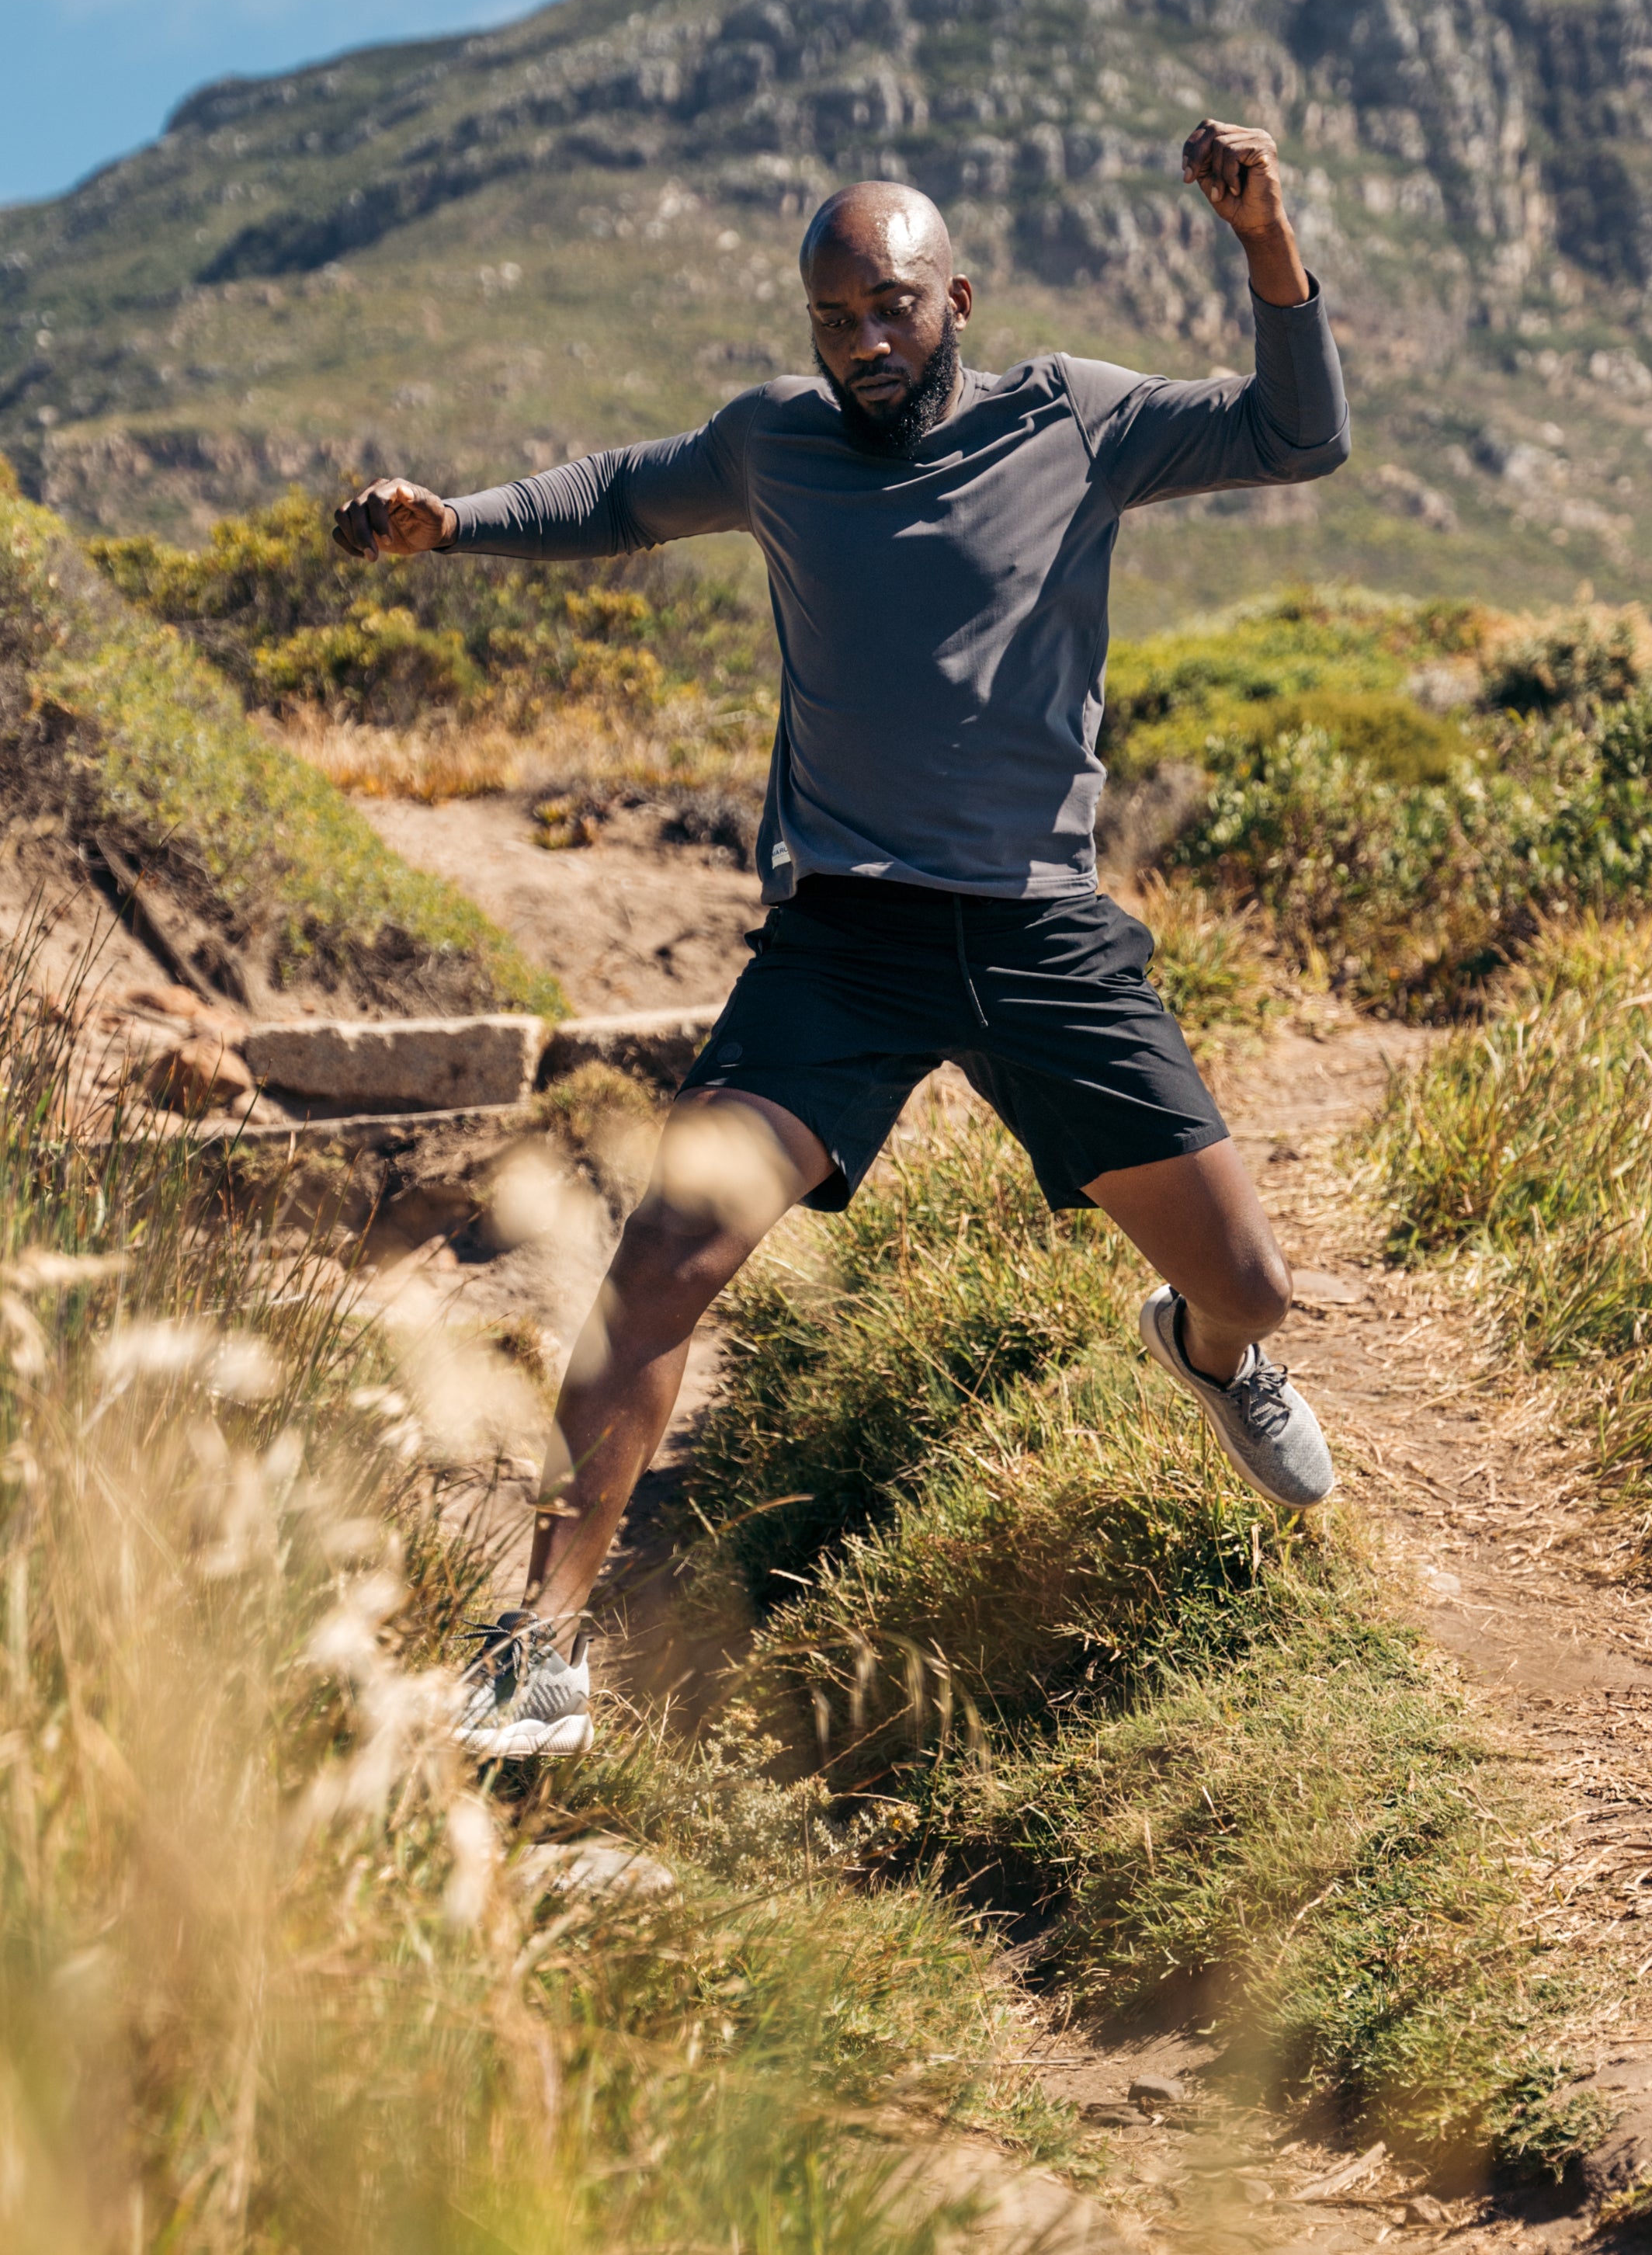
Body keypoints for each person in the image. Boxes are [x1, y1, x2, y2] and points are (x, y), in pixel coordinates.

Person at [333, 118, 1350, 1761]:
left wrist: (1263, 241)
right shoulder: (772, 447)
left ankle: (1201, 1356)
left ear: (955, 295)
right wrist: (454, 521)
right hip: (843, 944)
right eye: (831, 317)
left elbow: (1296, 437)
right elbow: (612, 497)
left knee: (1249, 1282)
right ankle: (537, 1643)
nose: (863, 342)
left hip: (1039, 935)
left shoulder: (1074, 418)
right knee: (663, 1258)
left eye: (888, 307)